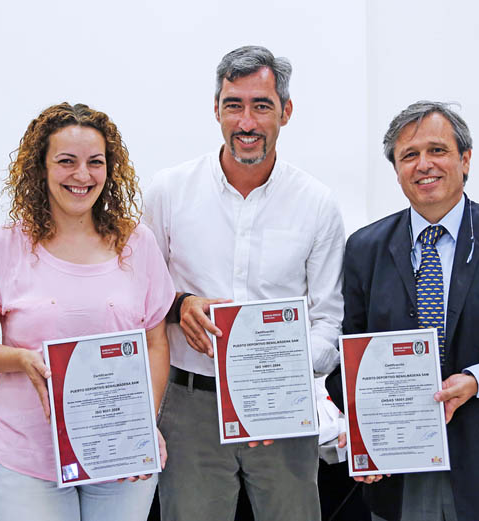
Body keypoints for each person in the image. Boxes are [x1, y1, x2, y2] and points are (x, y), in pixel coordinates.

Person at [326, 101, 479, 521]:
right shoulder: (365, 249)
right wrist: (364, 429)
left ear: (465, 159)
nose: (424, 165)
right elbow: (351, 351)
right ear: (397, 170)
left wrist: (477, 380)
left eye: (437, 150)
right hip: (400, 466)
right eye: (409, 155)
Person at [143, 45, 345, 521]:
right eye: (234, 105)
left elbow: (327, 318)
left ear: (286, 112)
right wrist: (180, 306)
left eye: (262, 106)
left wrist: (278, 374)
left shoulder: (317, 203)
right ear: (216, 109)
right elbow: (140, 298)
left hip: (285, 407)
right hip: (190, 406)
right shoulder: (168, 191)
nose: (247, 122)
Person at [0, 103, 175, 521]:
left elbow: (155, 340)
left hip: (119, 452)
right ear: (41, 168)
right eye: (66, 162)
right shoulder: (0, 247)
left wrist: (144, 422)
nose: (82, 175)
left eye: (95, 162)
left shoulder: (137, 243)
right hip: (27, 460)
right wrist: (19, 357)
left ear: (110, 169)